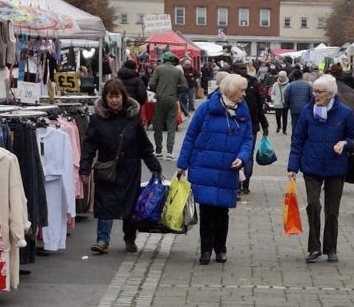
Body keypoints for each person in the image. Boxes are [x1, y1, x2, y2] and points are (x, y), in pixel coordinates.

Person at [176, 74, 253, 265]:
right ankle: (205, 250)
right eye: (241, 90)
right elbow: (191, 136)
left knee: (222, 212)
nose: (244, 94)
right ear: (230, 91)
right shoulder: (207, 108)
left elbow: (247, 139)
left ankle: (221, 249)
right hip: (204, 166)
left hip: (228, 168)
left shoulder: (243, 110)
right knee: (207, 211)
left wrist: (242, 158)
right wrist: (182, 163)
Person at [79, 79, 162, 254]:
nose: (114, 100)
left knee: (130, 205)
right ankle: (102, 240)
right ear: (105, 98)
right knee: (105, 204)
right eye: (111, 97)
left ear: (123, 97)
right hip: (107, 169)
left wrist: (154, 166)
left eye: (117, 96)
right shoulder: (97, 120)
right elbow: (89, 146)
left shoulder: (133, 118)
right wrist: (84, 168)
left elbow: (144, 146)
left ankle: (129, 238)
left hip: (130, 168)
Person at [287, 74, 354, 264]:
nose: (316, 95)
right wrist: (292, 166)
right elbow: (298, 140)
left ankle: (331, 247)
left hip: (336, 167)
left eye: (320, 92)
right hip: (311, 166)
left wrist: (345, 143)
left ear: (330, 94)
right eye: (315, 91)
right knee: (313, 205)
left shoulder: (344, 113)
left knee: (332, 211)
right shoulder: (307, 111)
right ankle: (314, 247)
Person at [231, 62, 269, 194]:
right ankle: (239, 185)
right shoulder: (232, 83)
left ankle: (244, 184)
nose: (242, 71)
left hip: (250, 125)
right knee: (241, 155)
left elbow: (259, 106)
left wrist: (264, 124)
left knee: (245, 155)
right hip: (233, 125)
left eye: (243, 68)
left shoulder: (252, 83)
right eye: (240, 68)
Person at [148, 52, 189, 160]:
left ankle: (158, 150)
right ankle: (170, 151)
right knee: (171, 126)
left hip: (160, 99)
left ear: (163, 60)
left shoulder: (158, 69)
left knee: (158, 125)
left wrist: (157, 90)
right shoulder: (177, 71)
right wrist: (176, 91)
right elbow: (185, 86)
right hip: (172, 99)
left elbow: (151, 84)